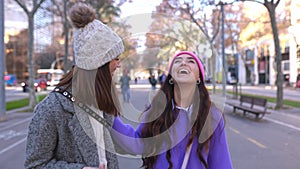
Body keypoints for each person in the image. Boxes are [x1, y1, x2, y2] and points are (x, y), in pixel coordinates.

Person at [24, 3, 124, 169]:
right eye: (116, 58)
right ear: (98, 63)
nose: (119, 64)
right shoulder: (51, 109)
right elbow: (34, 165)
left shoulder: (102, 102)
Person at [111, 51, 233, 169]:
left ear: (199, 77)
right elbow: (137, 143)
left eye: (190, 61)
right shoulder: (156, 110)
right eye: (178, 61)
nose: (183, 63)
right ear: (171, 77)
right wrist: (109, 115)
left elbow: (221, 163)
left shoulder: (212, 116)